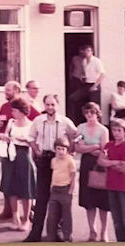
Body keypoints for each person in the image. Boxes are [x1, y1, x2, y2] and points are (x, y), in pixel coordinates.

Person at [24, 94, 77, 242]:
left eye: (52, 104)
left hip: (61, 161)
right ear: (44, 105)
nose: (50, 107)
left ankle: (57, 233)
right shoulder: (38, 121)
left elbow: (77, 136)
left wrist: (71, 151)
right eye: (47, 104)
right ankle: (34, 234)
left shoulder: (65, 122)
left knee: (59, 197)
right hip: (45, 160)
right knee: (41, 198)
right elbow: (30, 137)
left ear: (57, 105)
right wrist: (36, 150)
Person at [0, 97, 36, 231]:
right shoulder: (11, 122)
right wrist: (3, 137)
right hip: (10, 155)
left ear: (21, 111)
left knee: (26, 189)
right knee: (11, 187)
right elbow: (4, 135)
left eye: (14, 110)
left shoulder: (31, 124)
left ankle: (26, 219)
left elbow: (33, 142)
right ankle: (15, 217)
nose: (12, 113)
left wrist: (23, 139)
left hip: (24, 155)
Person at [76, 102, 110, 242]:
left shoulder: (103, 130)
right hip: (86, 164)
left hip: (99, 165)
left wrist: (88, 147)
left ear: (97, 114)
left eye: (92, 113)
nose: (89, 116)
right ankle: (92, 231)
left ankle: (104, 232)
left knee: (102, 201)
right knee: (88, 200)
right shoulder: (80, 128)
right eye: (87, 113)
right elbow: (78, 148)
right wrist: (94, 146)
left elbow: (104, 150)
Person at [99, 119, 125, 242]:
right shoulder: (108, 146)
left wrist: (108, 163)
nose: (116, 133)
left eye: (119, 130)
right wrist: (116, 162)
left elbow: (124, 168)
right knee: (116, 219)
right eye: (114, 130)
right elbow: (100, 161)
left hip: (123, 186)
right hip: (111, 185)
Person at [0, 81, 23, 220]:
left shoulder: (23, 105)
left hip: (20, 149)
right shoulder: (4, 106)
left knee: (22, 181)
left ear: (16, 90)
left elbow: (35, 119)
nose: (5, 92)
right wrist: (0, 126)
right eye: (5, 90)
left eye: (8, 90)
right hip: (6, 148)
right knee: (7, 179)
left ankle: (27, 212)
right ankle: (7, 209)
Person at [45, 137, 76, 242]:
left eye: (63, 149)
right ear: (55, 149)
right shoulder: (53, 160)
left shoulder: (70, 161)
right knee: (52, 215)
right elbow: (54, 173)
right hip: (55, 190)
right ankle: (51, 237)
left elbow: (73, 176)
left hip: (65, 189)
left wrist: (71, 190)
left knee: (66, 215)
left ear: (67, 150)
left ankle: (67, 237)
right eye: (58, 149)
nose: (61, 151)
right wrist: (51, 187)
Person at [68, 45, 105, 124]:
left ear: (92, 52)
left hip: (95, 85)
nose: (87, 52)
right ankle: (75, 122)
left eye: (89, 51)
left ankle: (98, 125)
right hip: (86, 84)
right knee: (72, 98)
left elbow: (102, 75)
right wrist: (82, 77)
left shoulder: (96, 61)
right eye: (86, 51)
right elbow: (86, 73)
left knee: (94, 107)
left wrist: (95, 86)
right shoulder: (84, 61)